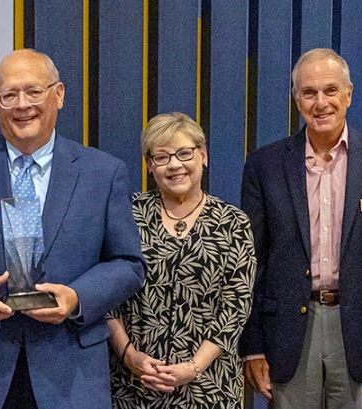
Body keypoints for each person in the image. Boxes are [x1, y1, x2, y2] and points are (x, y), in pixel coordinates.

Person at [0, 48, 145, 409]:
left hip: (70, 374)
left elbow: (128, 264)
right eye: (9, 95)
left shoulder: (103, 173)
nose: (22, 105)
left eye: (34, 91)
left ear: (59, 94)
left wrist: (77, 298)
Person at [239, 48, 362, 408]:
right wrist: (252, 345)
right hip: (288, 332)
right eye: (309, 92)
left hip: (361, 333)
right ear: (296, 99)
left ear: (349, 94)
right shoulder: (265, 165)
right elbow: (251, 263)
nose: (320, 102)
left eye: (330, 90)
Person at [107, 113, 255, 408]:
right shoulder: (126, 214)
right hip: (134, 384)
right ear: (150, 166)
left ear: (203, 156)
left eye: (184, 153)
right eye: (162, 157)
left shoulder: (233, 223)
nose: (175, 165)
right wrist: (129, 355)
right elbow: (107, 295)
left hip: (209, 386)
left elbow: (236, 306)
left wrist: (193, 368)